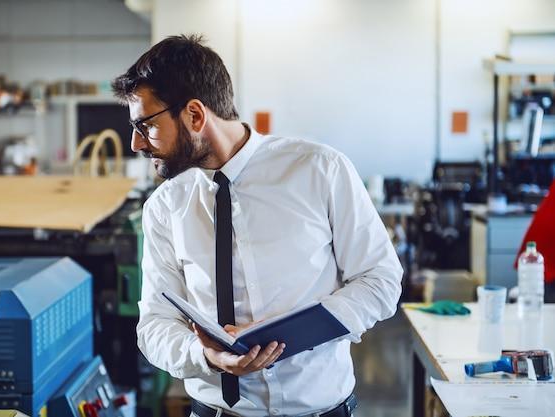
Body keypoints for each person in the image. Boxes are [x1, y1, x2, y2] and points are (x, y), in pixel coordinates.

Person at [112, 34, 403, 417]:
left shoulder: (319, 170)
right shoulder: (165, 207)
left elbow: (380, 280)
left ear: (195, 115)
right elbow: (154, 327)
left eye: (145, 126)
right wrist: (207, 355)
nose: (136, 144)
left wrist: (300, 333)